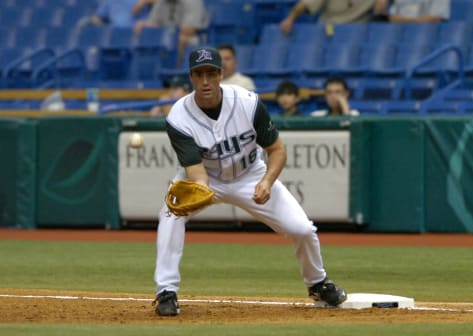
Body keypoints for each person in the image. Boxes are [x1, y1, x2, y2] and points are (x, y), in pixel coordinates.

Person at [151, 47, 347, 316]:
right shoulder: (178, 117)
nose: (205, 81)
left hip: (250, 174)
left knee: (302, 229)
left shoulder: (248, 102)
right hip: (207, 179)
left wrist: (267, 181)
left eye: (211, 73)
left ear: (221, 74)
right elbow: (197, 173)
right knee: (170, 215)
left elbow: (277, 149)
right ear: (191, 77)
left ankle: (317, 284)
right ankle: (166, 291)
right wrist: (202, 192)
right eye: (199, 74)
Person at [133, 0, 209, 68]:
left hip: (193, 37)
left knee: (180, 39)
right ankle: (148, 74)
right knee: (143, 36)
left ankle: (176, 74)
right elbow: (152, 23)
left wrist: (164, 31)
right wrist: (144, 25)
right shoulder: (161, 2)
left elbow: (189, 29)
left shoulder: (193, 1)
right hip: (165, 37)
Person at [280, 0, 376, 34]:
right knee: (327, 32)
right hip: (330, 28)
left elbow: (382, 10)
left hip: (356, 31)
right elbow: (305, 4)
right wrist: (290, 18)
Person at [76, 0, 151, 29]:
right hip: (115, 34)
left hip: (138, 32)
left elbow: (161, 5)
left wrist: (143, 2)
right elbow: (99, 17)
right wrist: (90, 21)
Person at [373, 0, 450, 23]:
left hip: (427, 33)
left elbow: (435, 19)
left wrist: (404, 21)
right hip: (399, 33)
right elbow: (389, 17)